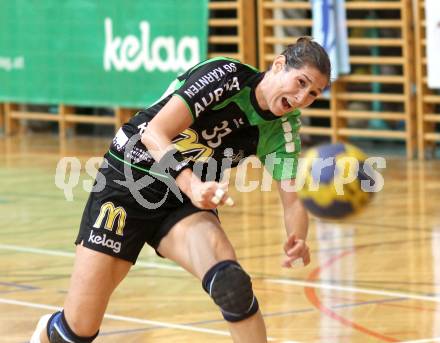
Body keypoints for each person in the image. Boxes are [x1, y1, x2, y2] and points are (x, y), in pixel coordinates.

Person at [31, 36, 330, 343]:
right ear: (279, 65)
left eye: (314, 94)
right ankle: (46, 331)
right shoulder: (224, 76)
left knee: (232, 285)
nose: (303, 96)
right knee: (77, 329)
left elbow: (293, 200)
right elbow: (154, 133)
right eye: (301, 82)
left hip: (182, 201)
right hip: (129, 178)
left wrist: (298, 237)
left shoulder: (282, 128)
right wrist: (193, 184)